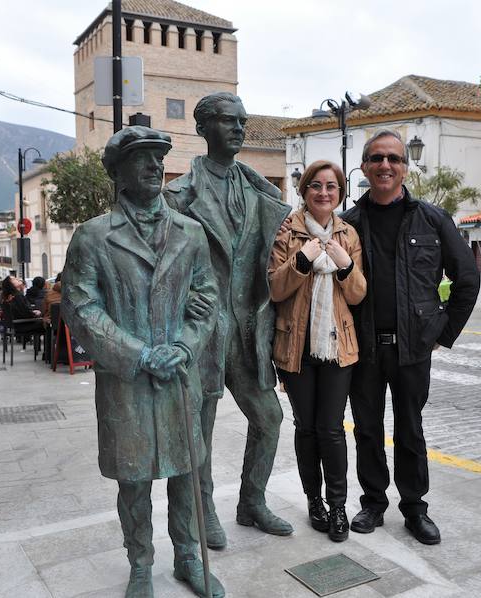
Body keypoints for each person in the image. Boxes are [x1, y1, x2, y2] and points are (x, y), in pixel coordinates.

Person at [63, 126, 223, 598]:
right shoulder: (93, 236)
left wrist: (186, 346)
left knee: (185, 471)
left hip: (178, 375)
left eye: (159, 158)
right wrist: (139, 353)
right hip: (126, 381)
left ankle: (189, 558)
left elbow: (206, 297)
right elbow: (81, 308)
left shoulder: (190, 233)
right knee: (133, 478)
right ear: (118, 172)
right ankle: (140, 564)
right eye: (142, 159)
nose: (155, 167)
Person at [165, 92, 294, 548]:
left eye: (242, 120)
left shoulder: (261, 190)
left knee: (269, 417)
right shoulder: (178, 197)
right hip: (202, 331)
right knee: (198, 427)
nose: (239, 128)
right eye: (227, 121)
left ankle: (251, 502)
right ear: (203, 128)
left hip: (248, 325)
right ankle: (202, 513)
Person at [341, 130, 480, 545]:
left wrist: (442, 331)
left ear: (405, 167)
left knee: (410, 429)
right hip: (363, 347)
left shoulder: (433, 220)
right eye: (377, 158)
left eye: (394, 159)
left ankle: (415, 509)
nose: (386, 166)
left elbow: (467, 279)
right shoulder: (348, 225)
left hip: (412, 349)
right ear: (364, 167)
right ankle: (372, 503)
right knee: (366, 429)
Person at [269, 160, 366, 542]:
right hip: (296, 346)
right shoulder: (287, 231)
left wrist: (345, 266)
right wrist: (303, 259)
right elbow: (275, 289)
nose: (324, 193)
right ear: (304, 190)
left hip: (338, 345)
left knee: (331, 430)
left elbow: (358, 294)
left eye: (331, 186)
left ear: (340, 193)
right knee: (306, 429)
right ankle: (314, 502)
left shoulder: (348, 235)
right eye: (316, 186)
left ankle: (339, 506)